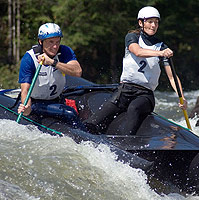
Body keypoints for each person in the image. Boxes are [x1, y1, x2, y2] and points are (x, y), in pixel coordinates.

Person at [85, 6, 187, 135]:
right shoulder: (132, 37)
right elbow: (137, 52)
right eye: (150, 22)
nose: (153, 25)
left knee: (134, 108)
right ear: (141, 23)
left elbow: (172, 77)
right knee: (96, 118)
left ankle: (127, 141)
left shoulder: (161, 46)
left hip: (145, 95)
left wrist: (182, 97)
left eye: (156, 22)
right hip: (124, 90)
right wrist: (160, 53)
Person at [18, 23, 82, 124]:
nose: (55, 46)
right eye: (51, 42)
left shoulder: (64, 51)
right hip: (36, 102)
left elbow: (77, 72)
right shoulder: (29, 58)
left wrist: (53, 63)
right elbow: (25, 90)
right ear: (41, 41)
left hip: (57, 100)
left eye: (57, 41)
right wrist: (27, 108)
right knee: (70, 113)